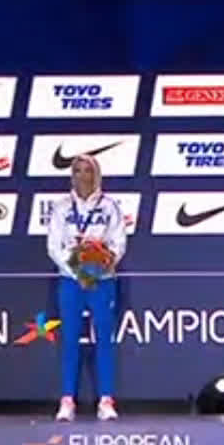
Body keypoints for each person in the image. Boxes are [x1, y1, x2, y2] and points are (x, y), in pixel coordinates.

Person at [47, 154, 128, 421]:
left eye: (88, 170)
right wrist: (78, 272)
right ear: (71, 176)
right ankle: (67, 400)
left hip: (102, 282)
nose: (83, 176)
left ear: (96, 174)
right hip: (71, 282)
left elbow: (118, 244)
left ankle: (106, 400)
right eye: (77, 171)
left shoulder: (110, 207)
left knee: (104, 339)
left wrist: (97, 269)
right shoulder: (61, 208)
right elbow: (53, 247)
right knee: (70, 339)